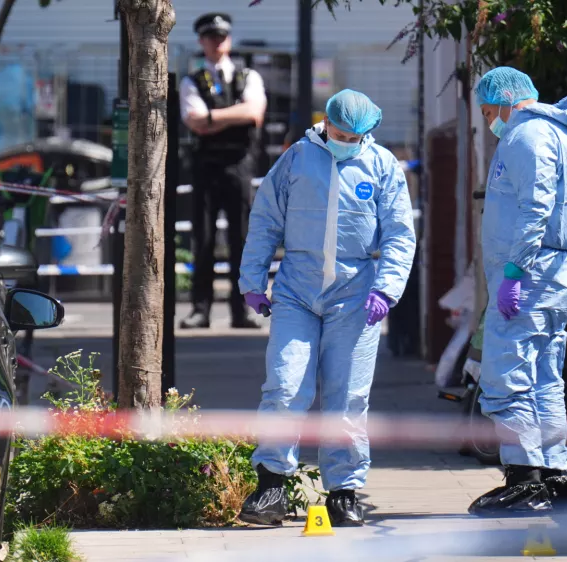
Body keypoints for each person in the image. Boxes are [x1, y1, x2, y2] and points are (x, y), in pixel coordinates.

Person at [236, 90, 416, 527]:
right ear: (326, 123)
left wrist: (386, 289)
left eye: (355, 137)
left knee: (348, 396)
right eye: (339, 133)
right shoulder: (297, 159)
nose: (346, 142)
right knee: (285, 384)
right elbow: (265, 220)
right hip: (298, 288)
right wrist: (252, 281)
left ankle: (344, 491)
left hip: (356, 294)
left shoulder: (382, 166)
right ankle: (271, 485)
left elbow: (398, 233)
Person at [467, 67, 567, 516]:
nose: (489, 122)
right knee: (545, 380)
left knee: (507, 379)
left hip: (530, 276)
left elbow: (536, 206)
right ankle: (554, 479)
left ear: (503, 101)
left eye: (487, 111)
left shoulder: (525, 138)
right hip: (560, 274)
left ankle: (523, 479)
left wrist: (515, 271)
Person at [179, 12, 267, 329]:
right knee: (202, 241)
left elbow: (255, 112)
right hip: (206, 168)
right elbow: (195, 122)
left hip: (239, 166)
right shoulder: (192, 81)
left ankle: (241, 310)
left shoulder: (249, 77)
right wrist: (235, 115)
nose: (217, 43)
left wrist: (214, 117)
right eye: (211, 38)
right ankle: (200, 309)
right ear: (202, 42)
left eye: (222, 37)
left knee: (241, 241)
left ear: (228, 40)